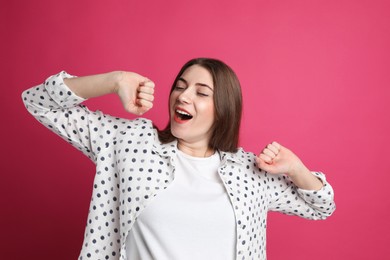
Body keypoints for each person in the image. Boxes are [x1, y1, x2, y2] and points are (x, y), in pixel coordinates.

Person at [22, 58, 335, 260]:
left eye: (201, 92)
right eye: (180, 87)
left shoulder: (249, 171)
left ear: (224, 108)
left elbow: (322, 206)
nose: (183, 97)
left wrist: (295, 167)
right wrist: (114, 80)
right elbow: (38, 102)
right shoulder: (130, 143)